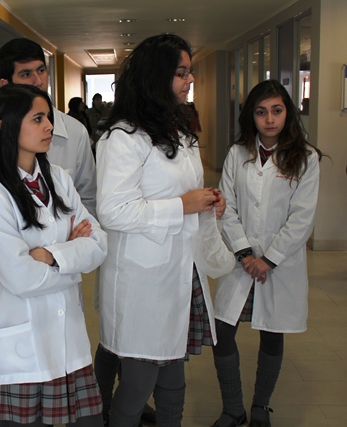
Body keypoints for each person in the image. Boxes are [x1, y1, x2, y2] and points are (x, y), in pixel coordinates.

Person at [95, 34, 226, 427]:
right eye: (181, 73)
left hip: (179, 271)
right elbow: (113, 211)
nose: (190, 80)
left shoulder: (179, 131)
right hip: (142, 282)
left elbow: (184, 191)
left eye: (190, 72)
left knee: (173, 379)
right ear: (156, 77)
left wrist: (208, 202)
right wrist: (182, 205)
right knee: (138, 384)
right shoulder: (122, 137)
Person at [0, 84, 108, 427]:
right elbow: (20, 278)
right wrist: (73, 259)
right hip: (23, 346)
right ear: (6, 125)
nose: (49, 126)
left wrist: (49, 255)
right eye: (38, 119)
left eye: (48, 117)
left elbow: (98, 245)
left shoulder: (59, 179)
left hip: (68, 339)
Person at [211, 80, 322, 427]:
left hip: (278, 265)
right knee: (222, 332)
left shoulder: (306, 158)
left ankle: (260, 407)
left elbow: (302, 217)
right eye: (261, 112)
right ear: (251, 116)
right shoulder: (237, 154)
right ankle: (233, 409)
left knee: (272, 333)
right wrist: (246, 254)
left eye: (276, 110)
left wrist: (269, 259)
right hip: (241, 262)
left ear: (288, 113)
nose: (269, 119)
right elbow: (226, 207)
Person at [0, 37, 96, 222]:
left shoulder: (75, 132)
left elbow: (88, 199)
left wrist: (71, 237)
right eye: (26, 74)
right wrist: (2, 235)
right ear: (6, 85)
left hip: (71, 238)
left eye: (41, 70)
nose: (38, 81)